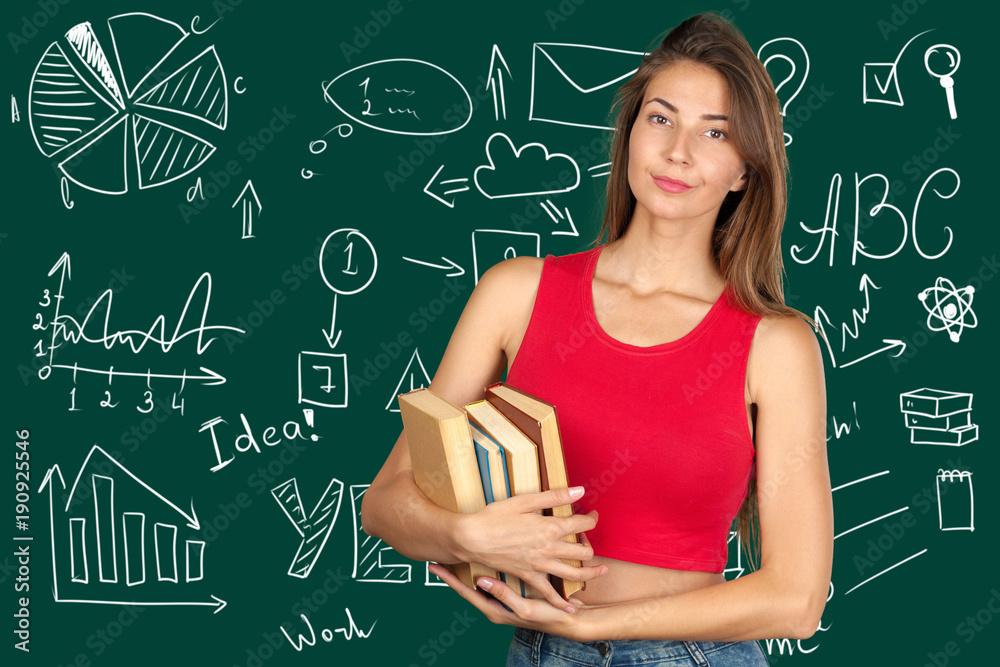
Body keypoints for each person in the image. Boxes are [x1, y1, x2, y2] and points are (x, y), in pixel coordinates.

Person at [360, 11, 832, 666]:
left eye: (714, 132)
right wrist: (465, 532)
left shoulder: (775, 343)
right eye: (660, 118)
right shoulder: (515, 292)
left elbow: (797, 599)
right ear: (631, 134)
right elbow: (384, 502)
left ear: (744, 171)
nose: (678, 152)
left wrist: (590, 626)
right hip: (538, 650)